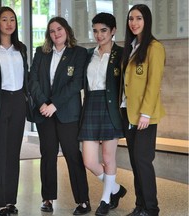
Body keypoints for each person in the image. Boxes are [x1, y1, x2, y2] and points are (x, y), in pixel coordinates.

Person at [29, 16, 91, 215]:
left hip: (67, 113)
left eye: (59, 29)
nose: (56, 33)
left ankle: (83, 200)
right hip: (44, 113)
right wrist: (43, 103)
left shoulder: (79, 53)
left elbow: (77, 83)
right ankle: (47, 199)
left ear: (66, 30)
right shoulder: (41, 52)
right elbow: (32, 80)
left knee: (73, 155)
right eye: (52, 31)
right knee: (48, 155)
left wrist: (54, 104)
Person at [78, 12, 127, 216]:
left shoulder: (122, 54)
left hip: (110, 107)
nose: (99, 35)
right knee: (88, 160)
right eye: (96, 31)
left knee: (108, 157)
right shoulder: (88, 54)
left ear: (113, 31)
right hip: (90, 106)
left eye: (104, 31)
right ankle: (115, 188)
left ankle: (106, 199)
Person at [0, 6, 29, 216]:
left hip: (18, 101)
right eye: (4, 19)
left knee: (13, 153)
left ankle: (10, 199)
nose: (9, 23)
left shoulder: (21, 48)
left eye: (12, 19)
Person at [120, 4, 166, 216]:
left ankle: (151, 208)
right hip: (129, 113)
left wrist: (146, 113)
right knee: (135, 161)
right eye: (131, 19)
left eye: (138, 18)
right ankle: (140, 206)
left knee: (142, 160)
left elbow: (153, 83)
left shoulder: (154, 47)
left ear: (146, 21)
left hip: (145, 116)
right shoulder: (132, 47)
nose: (134, 23)